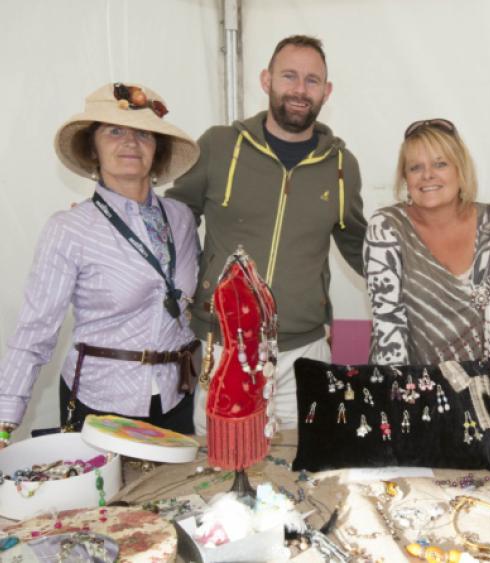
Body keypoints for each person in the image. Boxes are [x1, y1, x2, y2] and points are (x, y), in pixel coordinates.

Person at [167, 35, 366, 432]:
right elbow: (174, 218)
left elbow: (362, 247)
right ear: (266, 80)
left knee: (301, 470)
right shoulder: (219, 145)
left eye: (312, 80)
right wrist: (117, 222)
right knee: (220, 466)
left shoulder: (341, 164)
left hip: (303, 351)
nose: (299, 89)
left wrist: (424, 269)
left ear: (326, 91)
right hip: (222, 346)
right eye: (289, 76)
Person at [0, 83, 201, 447]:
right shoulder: (70, 229)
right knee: (105, 506)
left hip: (177, 398)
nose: (130, 142)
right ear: (93, 148)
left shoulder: (182, 219)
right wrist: (4, 419)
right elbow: (35, 331)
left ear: (157, 150)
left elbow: (189, 306)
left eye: (144, 133)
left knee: (174, 502)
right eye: (114, 131)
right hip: (100, 403)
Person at [365, 119, 490, 392]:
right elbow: (388, 321)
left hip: (480, 394)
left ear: (460, 170)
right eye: (416, 167)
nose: (428, 175)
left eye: (440, 164)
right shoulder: (386, 226)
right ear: (405, 178)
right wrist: (402, 398)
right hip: (408, 391)